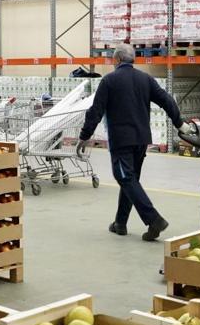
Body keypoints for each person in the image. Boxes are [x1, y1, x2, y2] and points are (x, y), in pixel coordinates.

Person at [77, 44, 186, 242]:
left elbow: (96, 111)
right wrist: (179, 123)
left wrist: (84, 136)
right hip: (142, 139)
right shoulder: (146, 79)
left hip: (121, 140)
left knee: (125, 178)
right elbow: (167, 100)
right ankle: (120, 223)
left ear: (117, 60)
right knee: (130, 179)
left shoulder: (109, 80)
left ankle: (154, 220)